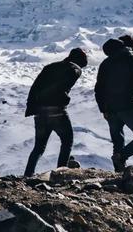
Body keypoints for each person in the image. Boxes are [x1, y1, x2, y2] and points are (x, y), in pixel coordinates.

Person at [23, 47, 88, 177]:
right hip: (57, 111)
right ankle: (61, 173)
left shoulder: (50, 67)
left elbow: (35, 87)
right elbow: (60, 88)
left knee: (39, 147)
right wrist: (65, 99)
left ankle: (28, 174)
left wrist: (31, 108)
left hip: (40, 112)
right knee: (67, 141)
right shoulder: (74, 70)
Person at [95, 34, 133, 170]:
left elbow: (98, 89)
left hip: (110, 108)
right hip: (128, 105)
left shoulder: (105, 63)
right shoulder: (131, 59)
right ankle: (122, 157)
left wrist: (103, 109)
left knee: (117, 141)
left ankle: (119, 171)